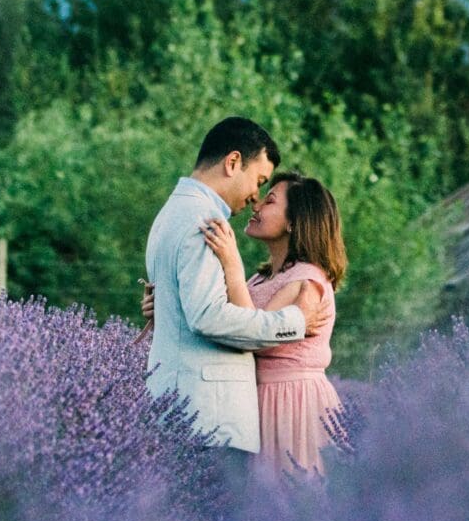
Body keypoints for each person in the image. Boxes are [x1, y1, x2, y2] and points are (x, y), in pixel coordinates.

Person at [143, 117, 328, 483]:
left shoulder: (171, 213)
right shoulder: (204, 221)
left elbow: (186, 308)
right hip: (207, 417)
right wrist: (293, 322)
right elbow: (209, 316)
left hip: (180, 410)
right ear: (232, 163)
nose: (256, 197)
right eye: (258, 181)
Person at [200, 171, 345, 480]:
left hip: (292, 403)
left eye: (270, 201)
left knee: (288, 495)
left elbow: (251, 332)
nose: (256, 206)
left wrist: (231, 264)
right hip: (261, 400)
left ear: (294, 222)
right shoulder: (263, 277)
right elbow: (225, 322)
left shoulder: (307, 279)